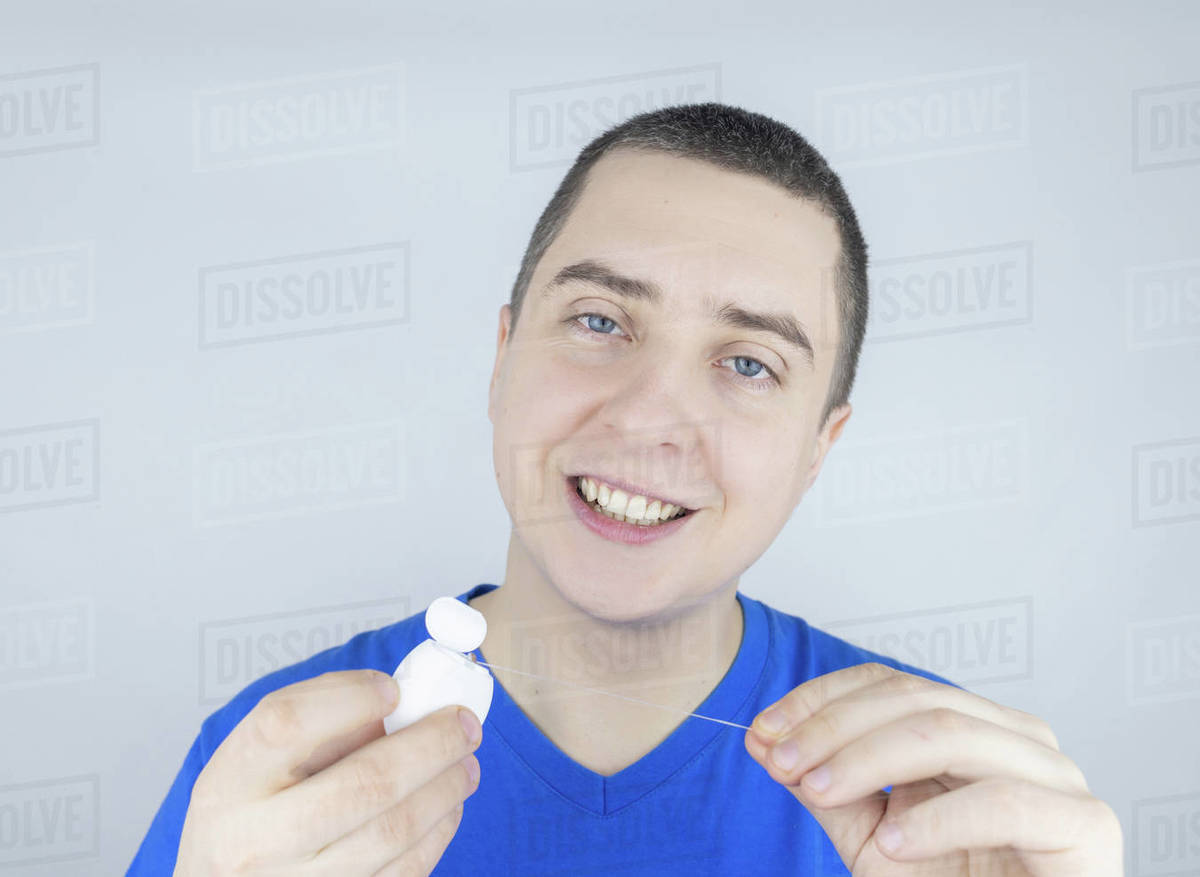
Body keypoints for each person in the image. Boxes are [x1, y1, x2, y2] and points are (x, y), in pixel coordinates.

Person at [129, 103, 1123, 875]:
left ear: (818, 449)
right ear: (503, 356)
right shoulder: (276, 760)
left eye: (749, 364)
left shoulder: (941, 796)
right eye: (601, 320)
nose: (649, 417)